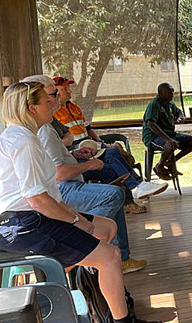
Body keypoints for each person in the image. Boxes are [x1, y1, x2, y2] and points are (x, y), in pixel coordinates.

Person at [0, 82, 162, 323]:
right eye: (48, 101)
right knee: (110, 255)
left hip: (27, 219)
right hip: (26, 225)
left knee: (107, 227)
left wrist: (73, 216)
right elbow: (36, 199)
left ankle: (96, 292)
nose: (54, 104)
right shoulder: (23, 141)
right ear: (32, 108)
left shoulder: (23, 135)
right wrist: (76, 219)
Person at [24, 74, 148, 274]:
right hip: (63, 190)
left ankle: (119, 255)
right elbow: (58, 174)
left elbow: (63, 148)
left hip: (69, 180)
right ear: (33, 104)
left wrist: (75, 153)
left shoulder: (48, 125)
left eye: (55, 94)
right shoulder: (40, 132)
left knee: (113, 174)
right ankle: (89, 243)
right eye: (51, 95)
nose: (54, 99)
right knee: (113, 192)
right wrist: (88, 165)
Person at [142, 82, 192, 180]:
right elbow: (150, 123)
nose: (172, 95)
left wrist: (181, 117)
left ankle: (171, 162)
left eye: (172, 92)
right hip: (153, 137)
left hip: (170, 134)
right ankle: (159, 166)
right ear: (160, 93)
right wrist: (168, 139)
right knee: (170, 144)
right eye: (169, 93)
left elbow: (178, 111)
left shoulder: (170, 103)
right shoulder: (155, 104)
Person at [52, 76, 103, 144]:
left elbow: (88, 128)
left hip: (88, 142)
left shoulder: (75, 107)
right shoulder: (52, 112)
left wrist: (100, 141)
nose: (69, 91)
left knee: (115, 148)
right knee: (113, 152)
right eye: (64, 89)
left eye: (69, 88)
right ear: (56, 93)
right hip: (73, 147)